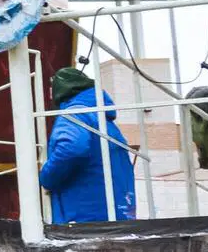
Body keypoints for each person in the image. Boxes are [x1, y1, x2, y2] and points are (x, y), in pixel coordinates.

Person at [39, 65, 137, 224]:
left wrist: (47, 177)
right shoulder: (106, 122)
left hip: (84, 216)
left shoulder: (74, 114)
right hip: (117, 215)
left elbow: (71, 147)